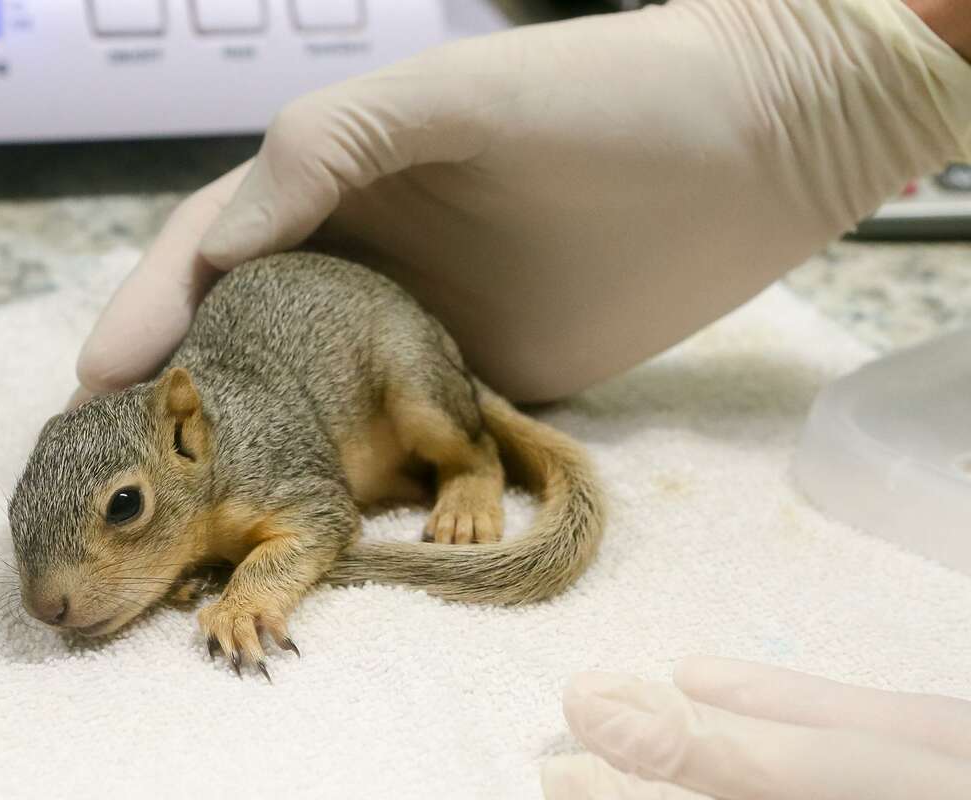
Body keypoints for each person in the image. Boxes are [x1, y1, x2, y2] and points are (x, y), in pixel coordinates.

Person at [69, 0, 971, 795]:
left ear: (188, 436)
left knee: (423, 402)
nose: (57, 610)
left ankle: (467, 463)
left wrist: (850, 62)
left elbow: (321, 514)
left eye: (125, 511)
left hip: (365, 349)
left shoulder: (244, 463)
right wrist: (885, 50)